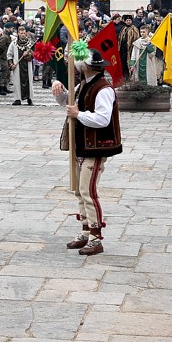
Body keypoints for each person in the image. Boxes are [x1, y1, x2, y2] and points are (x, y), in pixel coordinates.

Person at [52, 48, 122, 256]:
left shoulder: (103, 88)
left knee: (88, 191)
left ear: (86, 66)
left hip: (96, 146)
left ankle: (96, 237)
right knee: (79, 191)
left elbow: (102, 119)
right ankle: (85, 231)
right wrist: (60, 91)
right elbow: (68, 102)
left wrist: (78, 114)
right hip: (82, 145)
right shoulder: (84, 84)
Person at [7, 24, 33, 106]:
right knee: (17, 83)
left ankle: (29, 98)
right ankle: (17, 99)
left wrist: (28, 54)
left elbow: (34, 54)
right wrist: (11, 64)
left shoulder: (29, 43)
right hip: (17, 66)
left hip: (27, 65)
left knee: (29, 82)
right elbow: (9, 54)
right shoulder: (13, 43)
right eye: (21, 33)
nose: (23, 35)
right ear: (18, 33)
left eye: (24, 33)